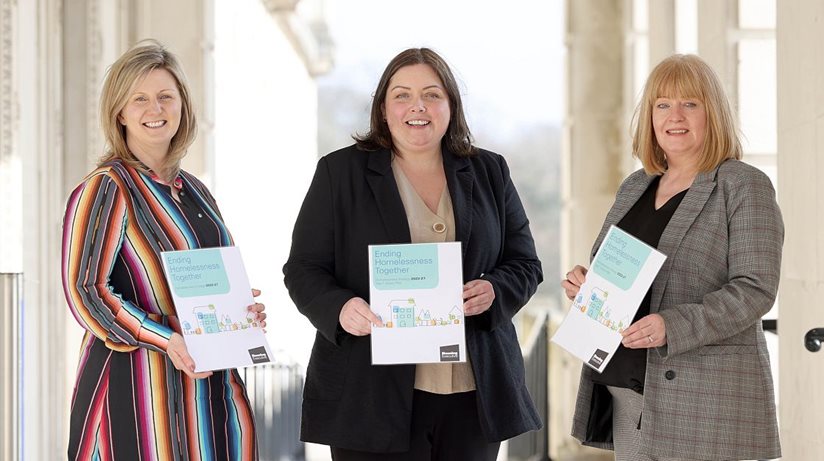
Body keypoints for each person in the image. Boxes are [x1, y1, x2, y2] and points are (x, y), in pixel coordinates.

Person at [283, 47, 543, 460]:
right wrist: (340, 308)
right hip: (369, 396)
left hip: (472, 394)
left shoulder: (490, 171)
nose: (417, 106)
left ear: (450, 106)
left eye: (432, 94)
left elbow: (526, 264)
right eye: (402, 95)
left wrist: (495, 290)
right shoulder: (340, 173)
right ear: (383, 109)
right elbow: (303, 269)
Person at [562, 54, 782, 461]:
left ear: (711, 113)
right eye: (662, 104)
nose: (674, 115)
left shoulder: (742, 185)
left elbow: (756, 289)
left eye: (690, 104)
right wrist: (586, 286)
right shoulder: (636, 186)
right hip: (627, 394)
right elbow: (616, 272)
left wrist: (672, 326)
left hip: (704, 406)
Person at [62, 39, 264, 460]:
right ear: (120, 112)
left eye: (165, 97)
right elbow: (86, 291)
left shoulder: (196, 191)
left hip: (210, 396)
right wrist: (168, 339)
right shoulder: (107, 188)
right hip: (138, 395)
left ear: (182, 107)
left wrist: (241, 312)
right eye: (140, 99)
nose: (155, 110)